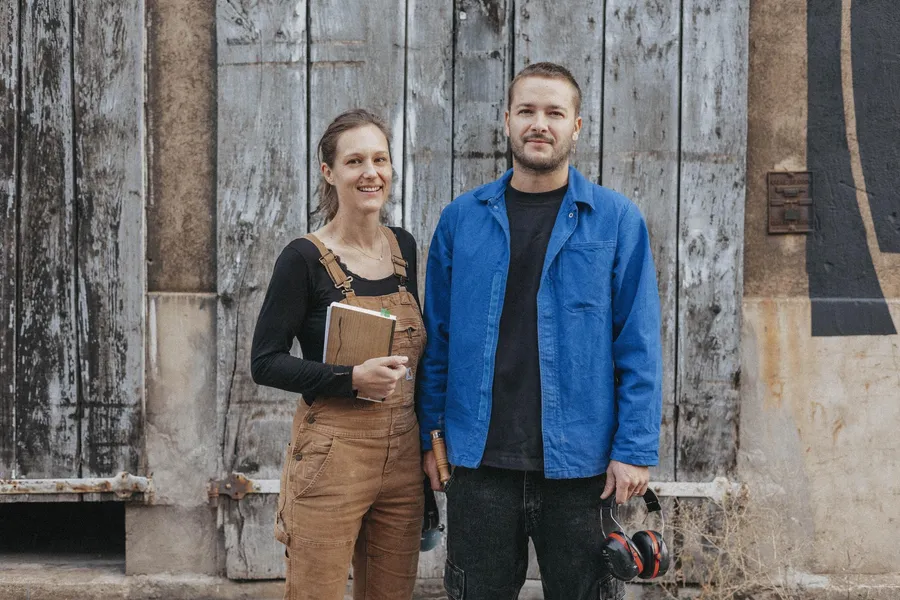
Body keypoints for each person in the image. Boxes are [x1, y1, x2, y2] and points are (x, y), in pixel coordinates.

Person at [418, 62, 663, 600]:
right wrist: (430, 442)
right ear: (506, 121)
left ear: (577, 126)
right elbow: (436, 343)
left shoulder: (616, 220)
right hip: (479, 465)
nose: (539, 123)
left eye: (555, 112)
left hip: (582, 469)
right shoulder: (461, 219)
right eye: (527, 111)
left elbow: (638, 343)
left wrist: (636, 448)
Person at [251, 109, 426, 600]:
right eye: (355, 161)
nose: (370, 173)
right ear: (329, 173)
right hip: (332, 454)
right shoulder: (303, 258)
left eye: (380, 159)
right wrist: (350, 378)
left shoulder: (404, 249)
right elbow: (264, 361)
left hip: (403, 456)